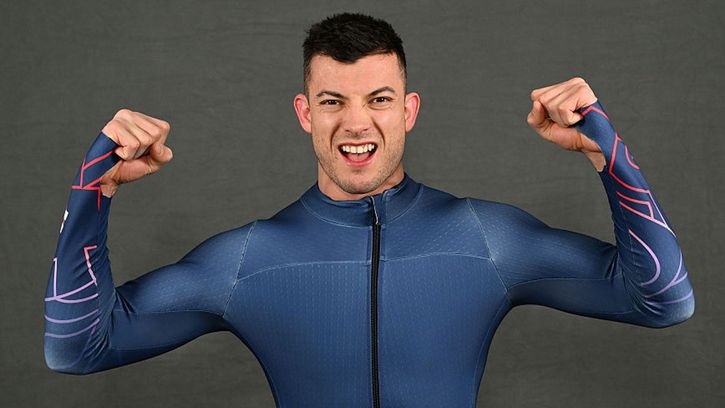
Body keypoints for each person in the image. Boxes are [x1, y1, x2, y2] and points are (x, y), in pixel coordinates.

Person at [43, 12, 695, 408]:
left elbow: (662, 299)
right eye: (333, 101)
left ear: (408, 110)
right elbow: (77, 349)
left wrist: (607, 156)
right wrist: (95, 192)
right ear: (305, 113)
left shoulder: (486, 238)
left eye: (378, 99)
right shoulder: (245, 261)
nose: (357, 124)